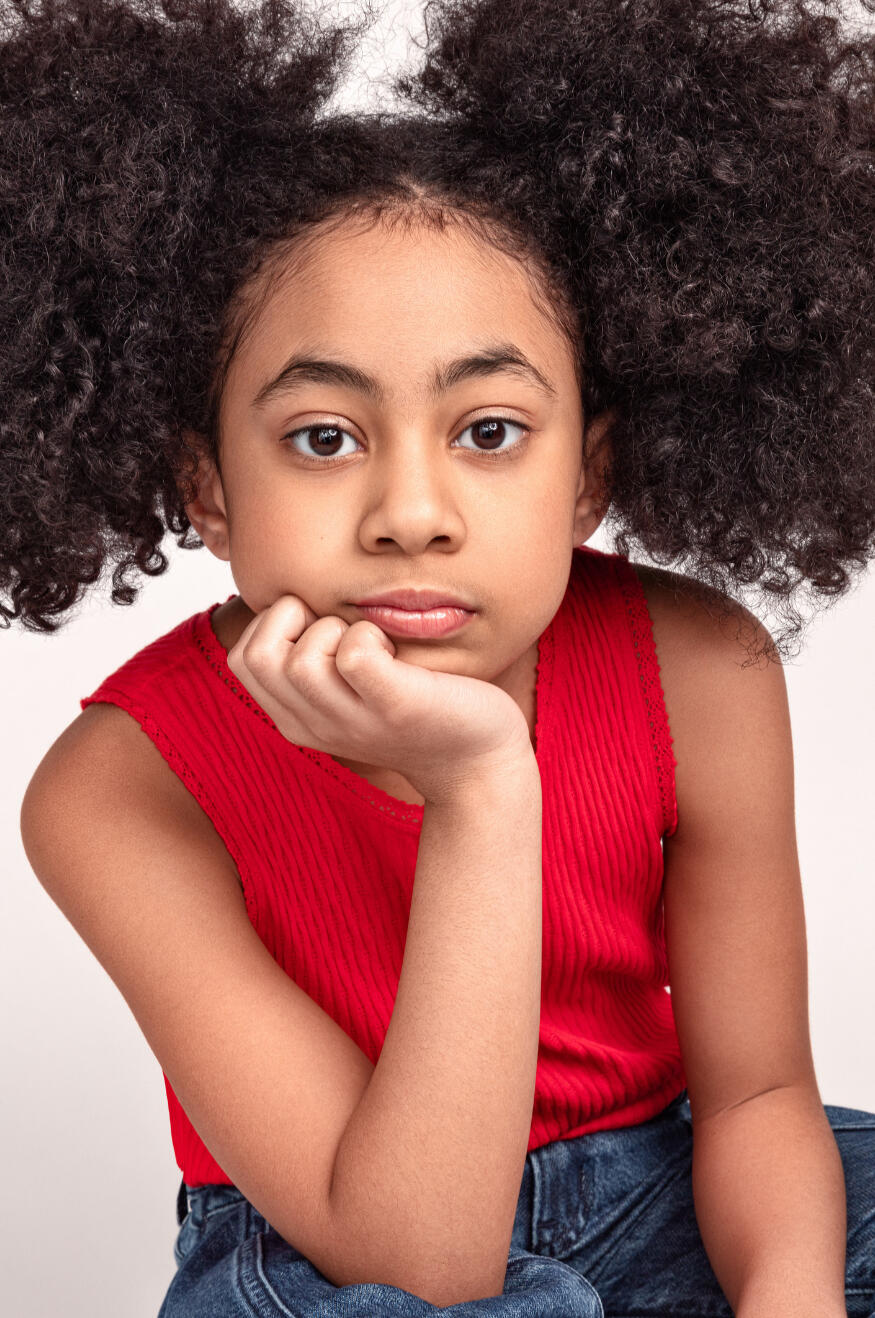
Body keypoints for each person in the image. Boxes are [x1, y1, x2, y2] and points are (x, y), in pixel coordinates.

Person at [7, 0, 875, 1312]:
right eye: (323, 437)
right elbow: (423, 1260)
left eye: (489, 431)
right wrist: (481, 788)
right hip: (341, 1236)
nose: (412, 512)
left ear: (588, 476)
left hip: (663, 1180)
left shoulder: (702, 674)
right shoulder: (120, 786)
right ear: (208, 488)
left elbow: (757, 1096)